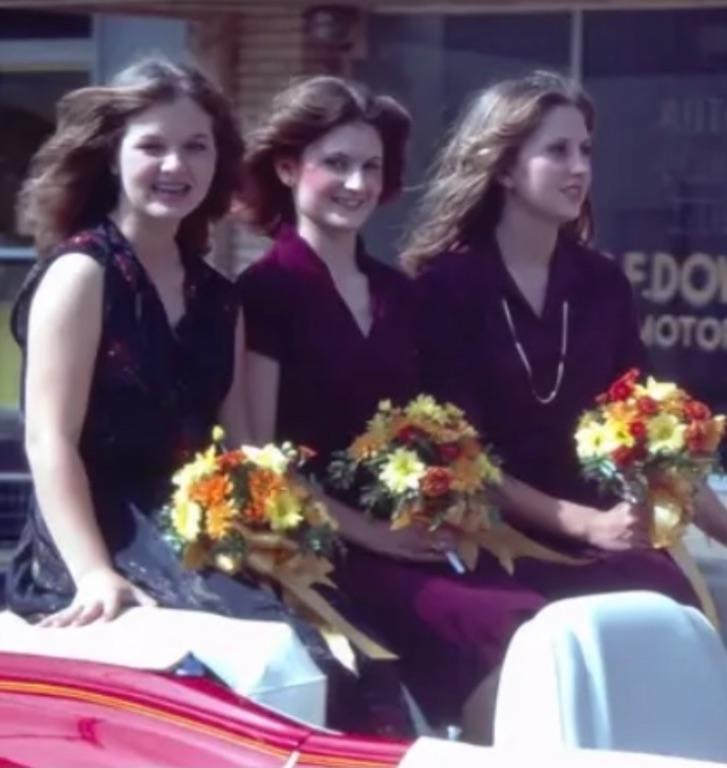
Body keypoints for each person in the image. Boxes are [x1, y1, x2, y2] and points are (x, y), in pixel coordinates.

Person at [237, 75, 545, 743]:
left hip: (415, 538)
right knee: (498, 625)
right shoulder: (263, 293)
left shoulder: (399, 294)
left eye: (370, 167)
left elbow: (441, 428)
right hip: (321, 548)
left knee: (538, 623)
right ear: (288, 168)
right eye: (335, 164)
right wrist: (370, 534)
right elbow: (259, 457)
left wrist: (441, 503)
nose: (356, 183)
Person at [5, 57, 304, 636]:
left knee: (339, 651)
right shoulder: (81, 274)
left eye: (196, 146)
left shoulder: (220, 296)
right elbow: (48, 440)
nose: (175, 165)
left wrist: (281, 546)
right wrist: (94, 573)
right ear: (113, 157)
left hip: (196, 537)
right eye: (152, 147)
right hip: (96, 540)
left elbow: (238, 446)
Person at [403, 70, 720, 610]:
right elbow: (460, 456)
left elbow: (650, 432)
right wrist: (585, 524)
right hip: (494, 541)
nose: (579, 168)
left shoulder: (602, 283)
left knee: (674, 618)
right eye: (558, 151)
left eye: (585, 151)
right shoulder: (443, 289)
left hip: (604, 533)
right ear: (503, 167)